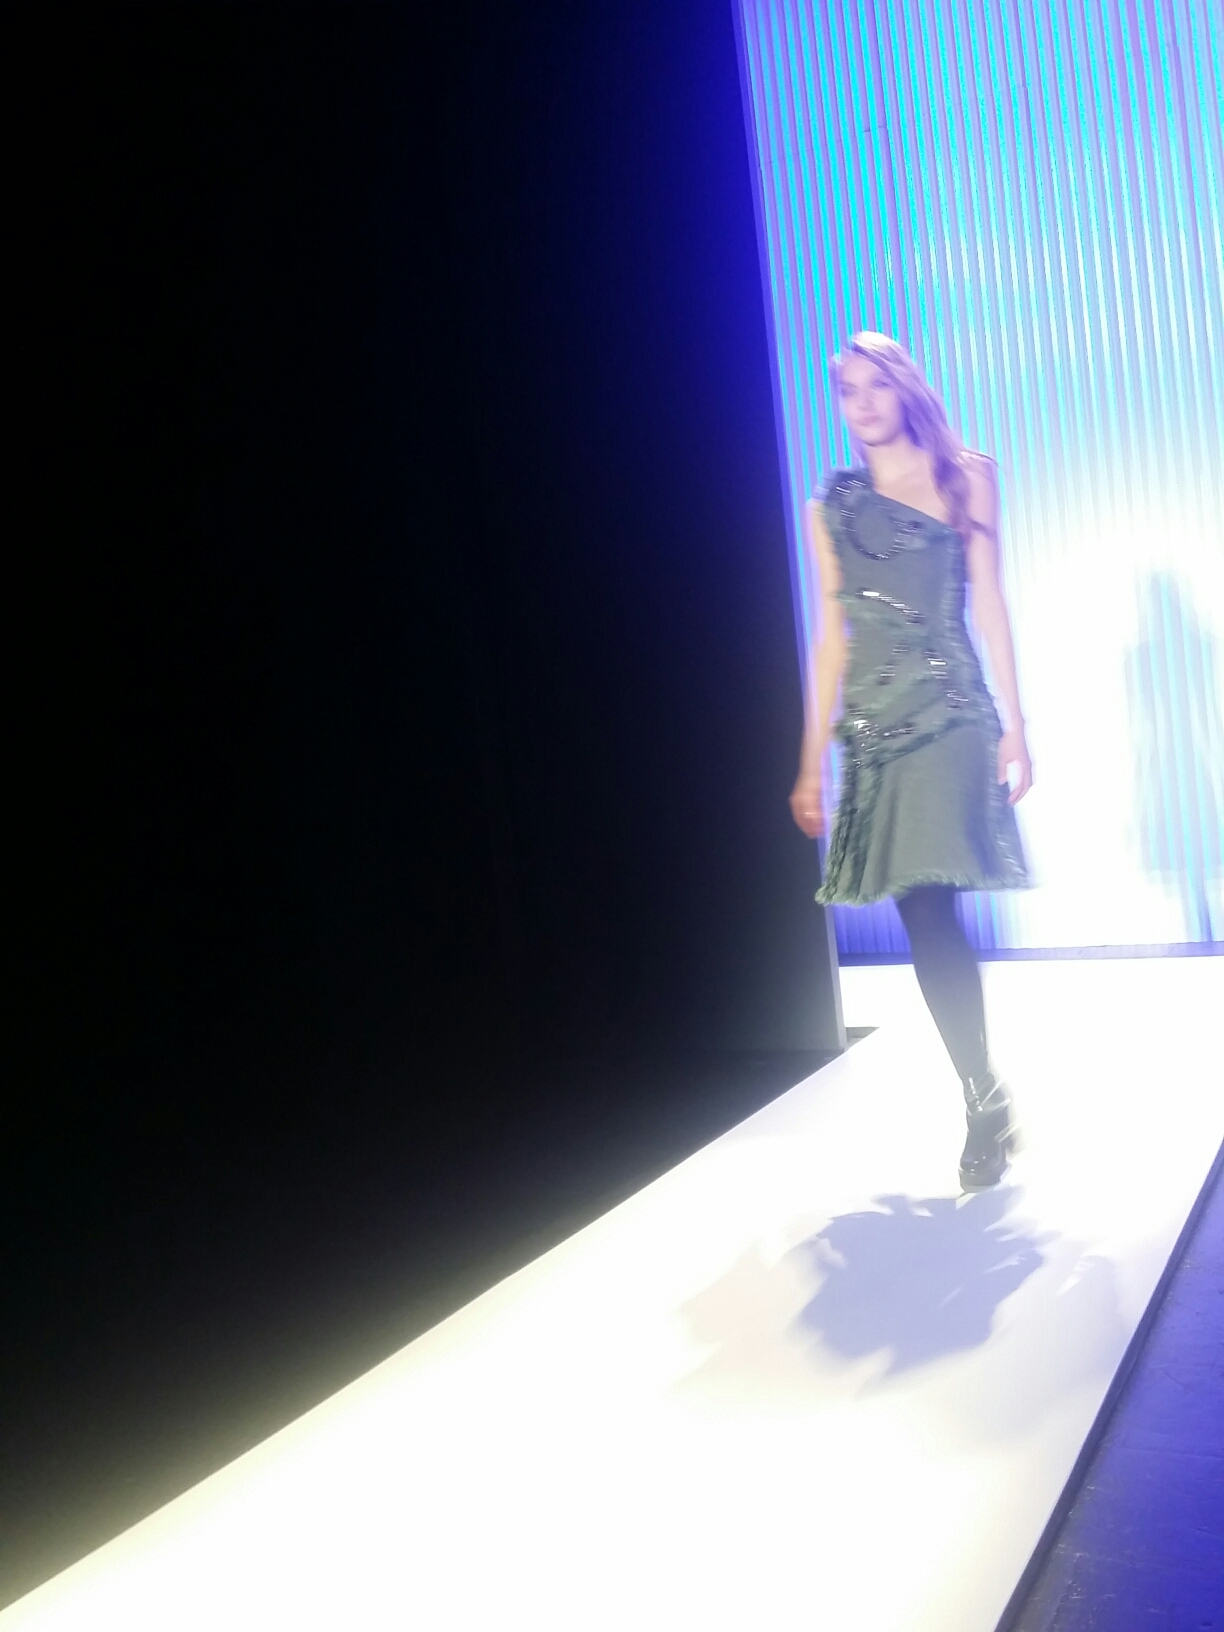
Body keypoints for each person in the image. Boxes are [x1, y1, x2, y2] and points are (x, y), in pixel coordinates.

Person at [789, 331, 1033, 1191]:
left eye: (874, 386)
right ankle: (987, 1087)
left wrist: (1016, 724)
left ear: (904, 389)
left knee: (934, 903)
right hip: (875, 726)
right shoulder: (833, 507)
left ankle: (979, 1102)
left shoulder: (966, 476)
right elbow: (831, 639)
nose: (860, 404)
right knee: (921, 914)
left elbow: (989, 601)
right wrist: (810, 762)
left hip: (953, 710)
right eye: (845, 390)